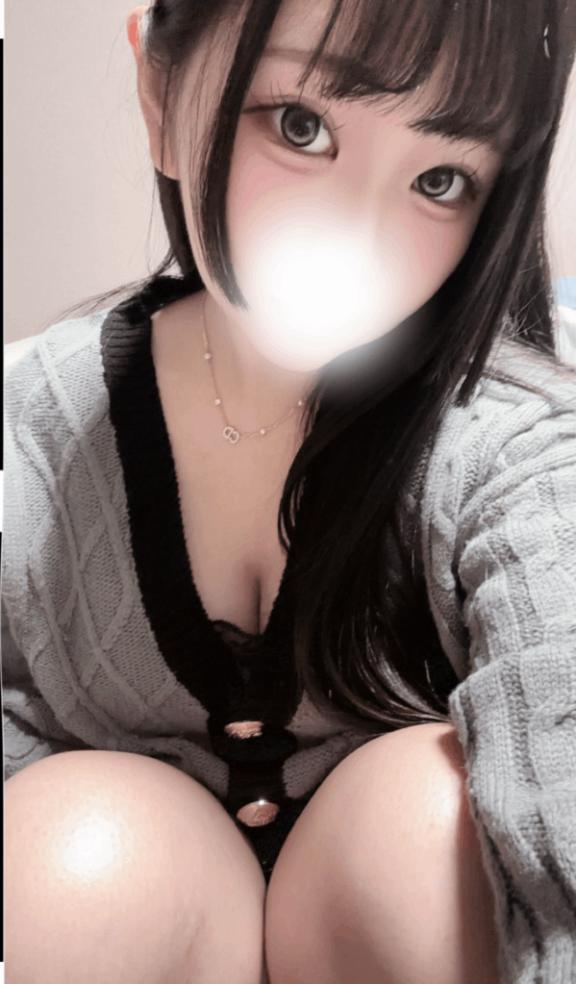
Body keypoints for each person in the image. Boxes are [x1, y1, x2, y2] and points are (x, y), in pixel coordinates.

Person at [3, 1, 576, 982]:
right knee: (77, 862)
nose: (360, 233)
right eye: (302, 125)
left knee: (425, 829)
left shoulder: (518, 447)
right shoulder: (29, 437)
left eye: (441, 179)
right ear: (161, 89)